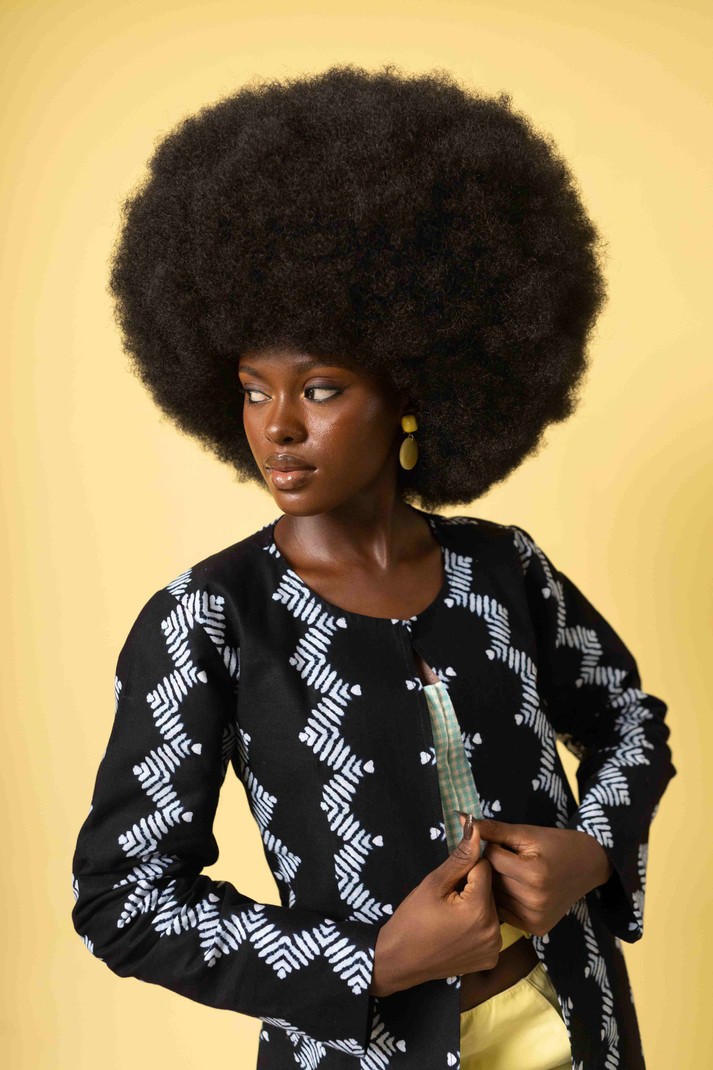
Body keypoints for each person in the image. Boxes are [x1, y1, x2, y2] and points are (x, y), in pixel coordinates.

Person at [70, 64, 676, 1069]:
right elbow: (125, 897)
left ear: (409, 392)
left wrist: (594, 849)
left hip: (574, 1025)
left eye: (319, 388)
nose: (277, 427)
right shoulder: (209, 619)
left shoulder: (504, 569)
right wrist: (370, 959)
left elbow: (627, 719)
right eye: (252, 389)